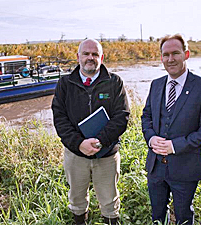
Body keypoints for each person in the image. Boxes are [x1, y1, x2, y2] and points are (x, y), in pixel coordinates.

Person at [141, 34, 201, 225]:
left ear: (186, 54)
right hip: (156, 166)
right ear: (161, 57)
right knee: (157, 216)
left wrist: (175, 146)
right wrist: (151, 139)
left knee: (184, 217)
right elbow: (146, 117)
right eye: (166, 54)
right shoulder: (156, 85)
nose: (170, 59)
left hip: (186, 166)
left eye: (175, 53)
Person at [52, 39, 130, 225]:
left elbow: (122, 116)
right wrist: (79, 143)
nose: (90, 58)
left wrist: (100, 141)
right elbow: (59, 118)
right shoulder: (65, 84)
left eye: (95, 54)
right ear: (78, 57)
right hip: (75, 155)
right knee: (77, 200)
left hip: (107, 155)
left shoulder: (115, 82)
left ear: (101, 58)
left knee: (110, 201)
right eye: (86, 54)